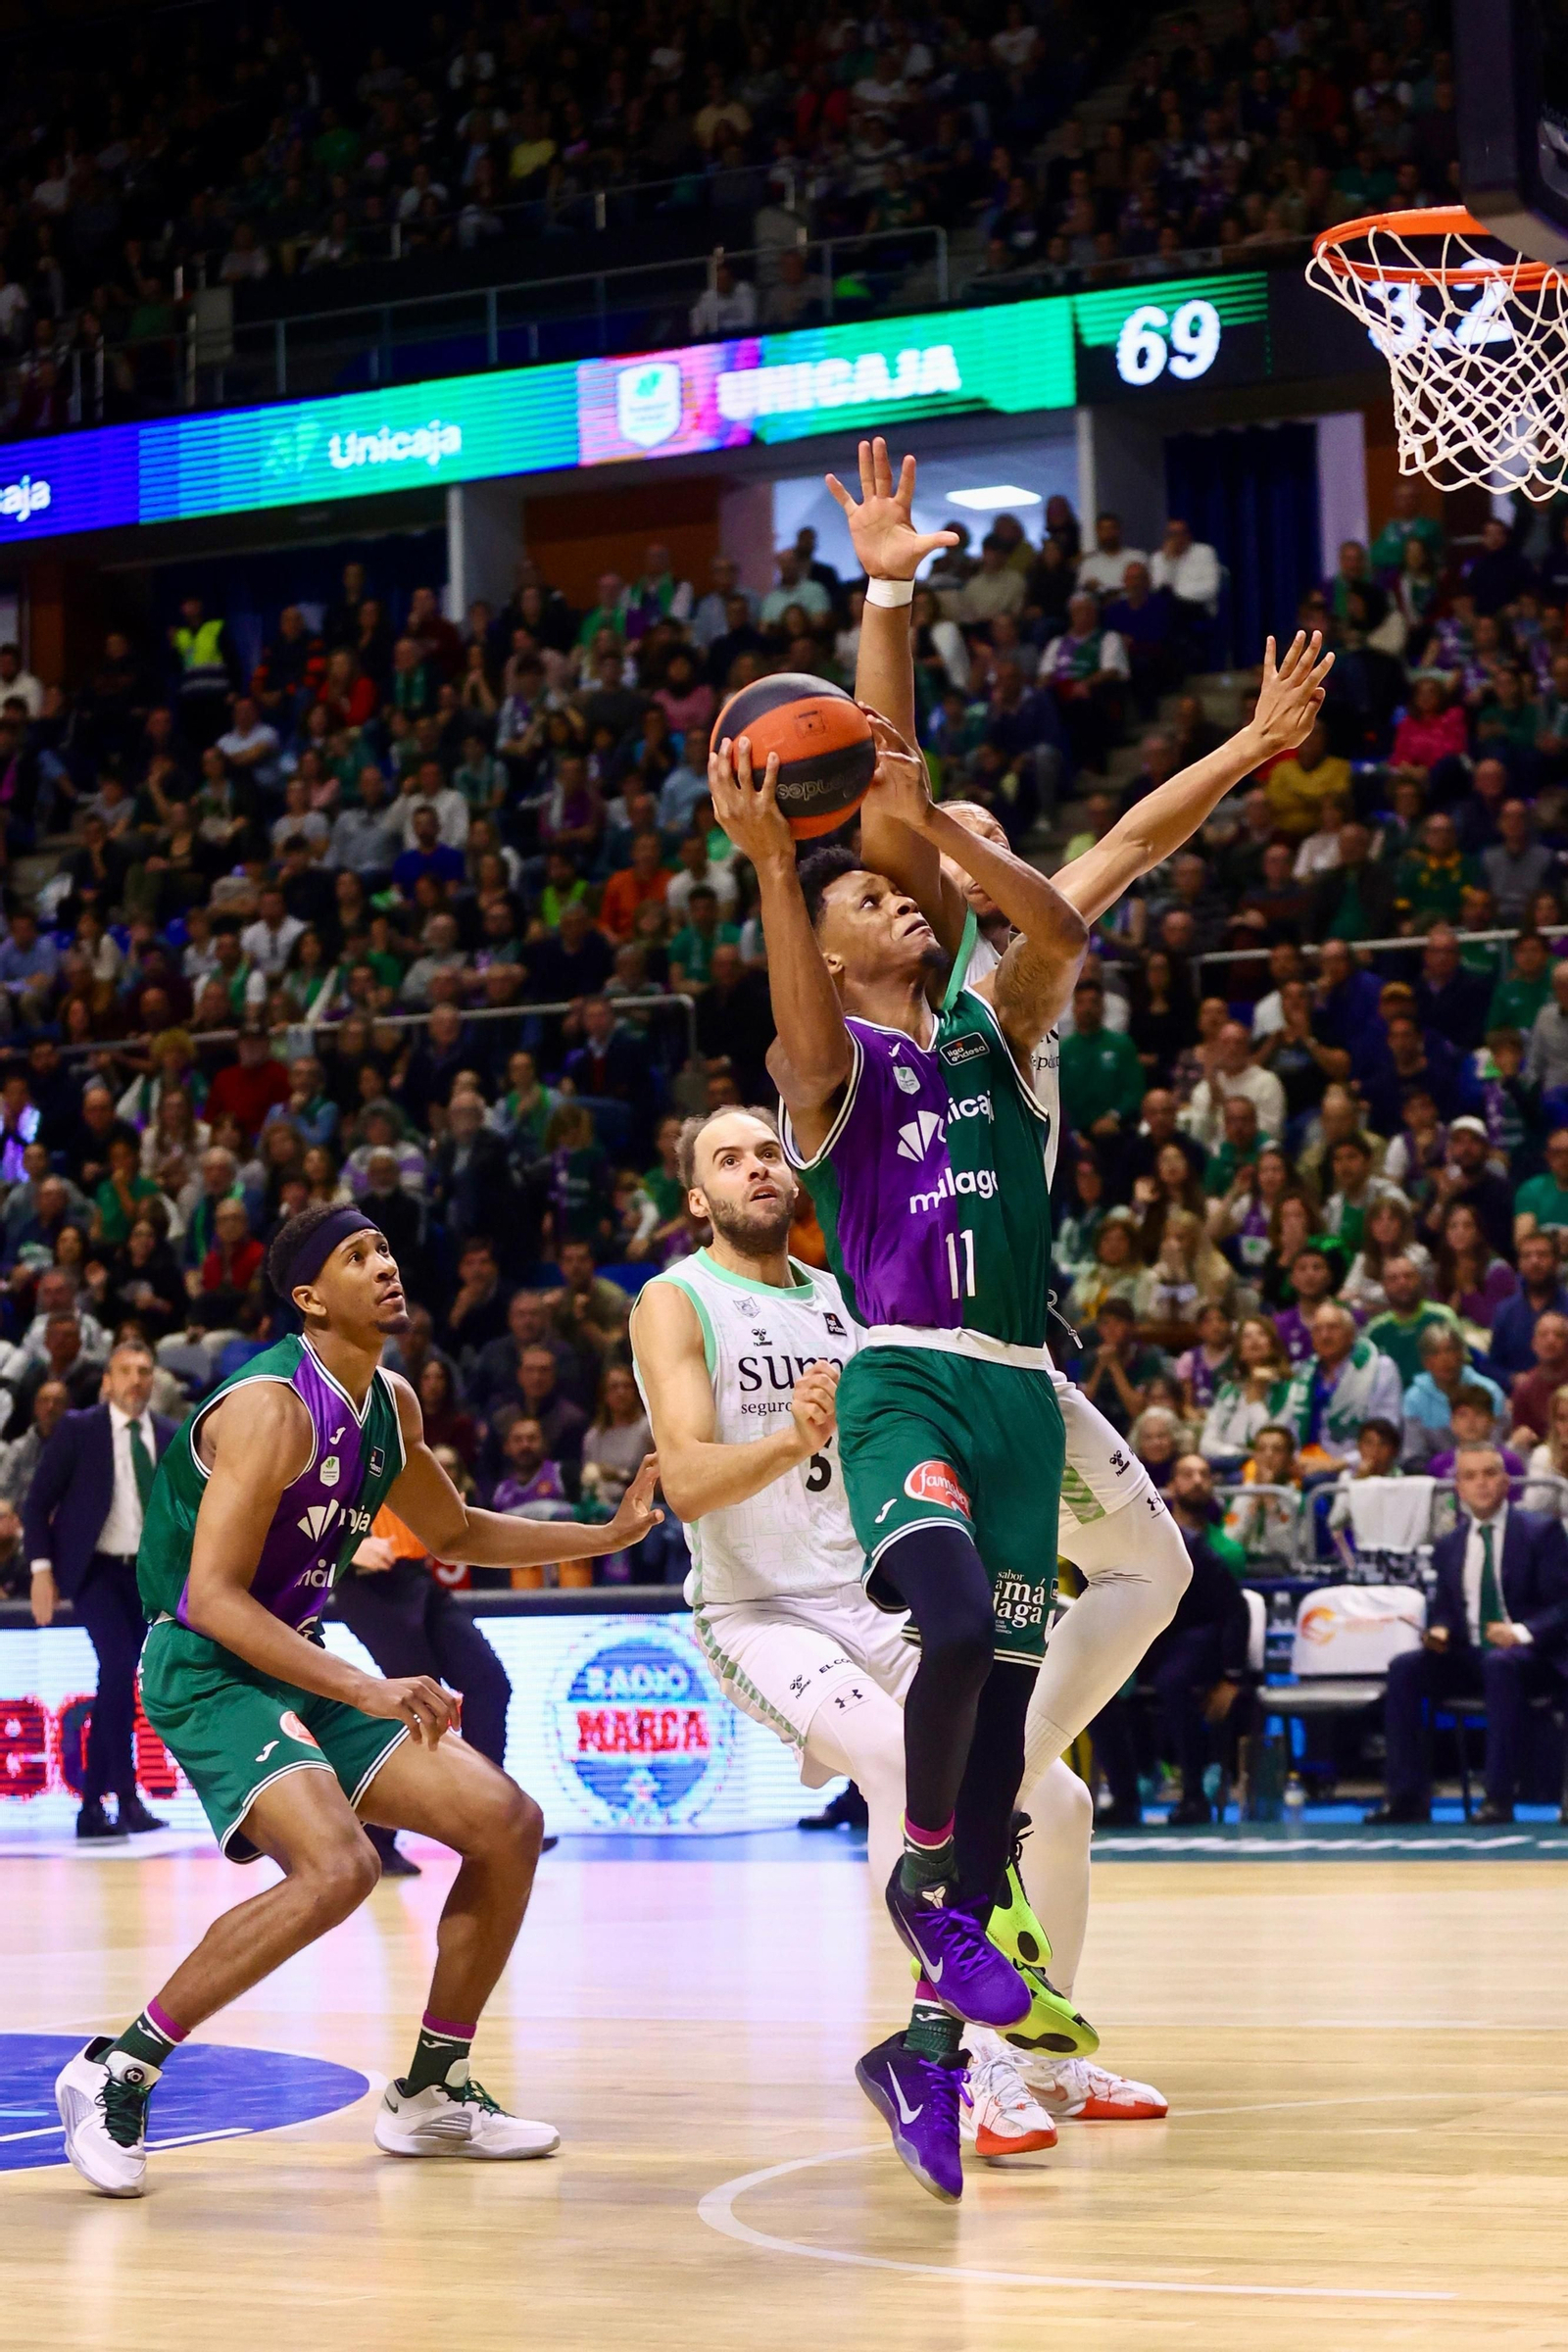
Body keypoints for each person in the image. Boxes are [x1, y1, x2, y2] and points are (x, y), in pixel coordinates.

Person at [54, 1201, 662, 2198]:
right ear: (309, 1297)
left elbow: (453, 1530)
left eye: (383, 1246)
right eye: (355, 1255)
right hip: (205, 1663)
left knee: (506, 1823)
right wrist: (368, 1686)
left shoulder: (389, 1402)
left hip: (297, 1654)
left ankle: (431, 2091)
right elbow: (211, 1597)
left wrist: (604, 1535)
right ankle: (115, 2069)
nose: (383, 1264)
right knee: (336, 1869)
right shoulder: (268, 1408)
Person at [631, 1107, 1163, 2171]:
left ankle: (1044, 2052)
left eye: (767, 1150)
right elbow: (683, 1484)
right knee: (892, 1761)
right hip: (763, 1612)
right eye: (726, 1160)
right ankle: (967, 2063)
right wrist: (792, 1436)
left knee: (1053, 1800)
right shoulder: (675, 1298)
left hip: (876, 1601)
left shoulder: (849, 1302)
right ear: (698, 1200)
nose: (756, 1168)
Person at [1367, 1445, 1568, 1825]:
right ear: (1458, 1487)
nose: (1482, 1484)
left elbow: (1563, 1606)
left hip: (1532, 1657)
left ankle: (1498, 1797)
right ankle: (1407, 1796)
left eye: (1490, 1474)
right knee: (1405, 1668)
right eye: (1471, 1476)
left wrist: (1522, 1632)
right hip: (1472, 1653)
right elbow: (1447, 1608)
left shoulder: (1541, 1532)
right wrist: (1441, 1629)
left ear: (1506, 1482)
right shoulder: (1450, 1545)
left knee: (1500, 1664)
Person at [24, 1340, 175, 1841]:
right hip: (95, 1573)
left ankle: (95, 1805)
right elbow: (37, 1502)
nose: (136, 1379)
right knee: (116, 1667)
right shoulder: (79, 1430)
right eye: (126, 1371)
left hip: (148, 1576)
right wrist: (41, 1570)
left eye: (145, 1370)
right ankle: (123, 1799)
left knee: (120, 1680)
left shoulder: (170, 1435)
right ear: (107, 1380)